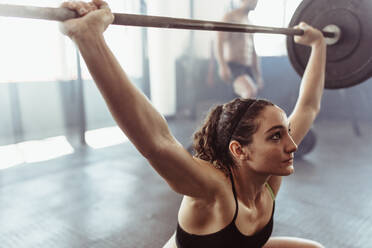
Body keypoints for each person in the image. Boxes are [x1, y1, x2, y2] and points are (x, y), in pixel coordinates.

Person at [60, 1, 326, 247]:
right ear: (239, 150)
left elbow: (308, 107)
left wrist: (319, 46)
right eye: (276, 136)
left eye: (286, 134)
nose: (292, 146)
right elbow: (157, 141)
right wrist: (90, 39)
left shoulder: (267, 181)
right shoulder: (213, 189)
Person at [217, 0, 263, 99]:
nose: (255, 2)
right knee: (250, 91)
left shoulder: (250, 22)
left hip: (248, 68)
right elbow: (219, 42)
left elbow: (253, 51)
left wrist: (258, 74)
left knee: (252, 99)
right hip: (234, 67)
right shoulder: (230, 17)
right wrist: (222, 65)